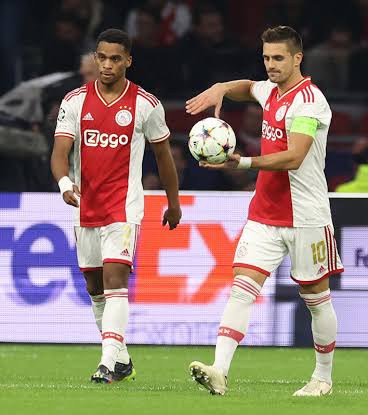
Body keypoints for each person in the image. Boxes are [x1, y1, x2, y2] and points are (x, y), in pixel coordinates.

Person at [185, 25, 342, 397]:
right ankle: (220, 370)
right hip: (265, 215)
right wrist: (222, 88)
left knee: (316, 299)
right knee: (241, 288)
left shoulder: (309, 102)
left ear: (297, 58)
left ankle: (323, 377)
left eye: (278, 58)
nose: (271, 65)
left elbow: (295, 156)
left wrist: (242, 163)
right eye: (267, 58)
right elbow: (249, 87)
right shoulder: (270, 90)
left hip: (306, 216)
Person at [49, 28, 181, 383]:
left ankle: (107, 363)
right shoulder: (75, 101)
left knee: (115, 279)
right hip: (85, 207)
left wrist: (173, 203)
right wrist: (64, 184)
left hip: (124, 208)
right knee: (95, 287)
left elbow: (163, 157)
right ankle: (121, 360)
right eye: (102, 58)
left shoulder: (146, 104)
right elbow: (60, 153)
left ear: (128, 61)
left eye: (115, 59)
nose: (107, 65)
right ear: (96, 58)